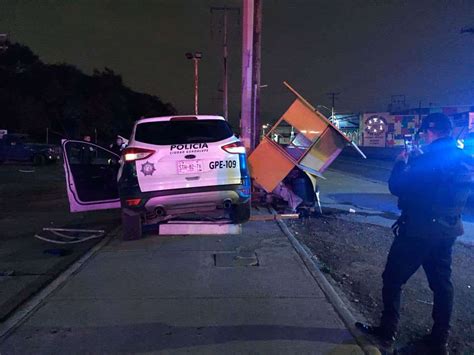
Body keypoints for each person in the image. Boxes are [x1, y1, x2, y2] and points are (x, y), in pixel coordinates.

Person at [356, 113, 473, 354]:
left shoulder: (426, 159)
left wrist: (402, 163)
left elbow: (397, 187)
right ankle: (439, 341)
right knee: (442, 285)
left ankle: (387, 332)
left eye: (424, 133)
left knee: (392, 280)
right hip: (448, 230)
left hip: (418, 231)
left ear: (431, 132)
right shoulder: (466, 159)